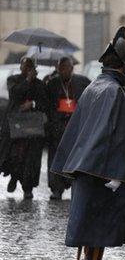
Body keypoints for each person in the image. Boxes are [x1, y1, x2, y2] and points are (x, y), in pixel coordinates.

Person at [51, 27, 125, 260]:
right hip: (101, 173)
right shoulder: (112, 91)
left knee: (93, 230)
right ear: (123, 66)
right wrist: (115, 173)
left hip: (90, 170)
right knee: (97, 230)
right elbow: (110, 135)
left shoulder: (95, 86)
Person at [0, 57, 48, 199]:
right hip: (16, 127)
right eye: (25, 66)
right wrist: (27, 80)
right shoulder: (13, 80)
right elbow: (15, 94)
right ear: (21, 67)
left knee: (30, 159)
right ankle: (14, 177)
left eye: (30, 67)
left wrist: (32, 104)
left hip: (33, 128)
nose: (27, 69)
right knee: (15, 156)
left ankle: (28, 187)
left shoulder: (39, 84)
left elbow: (44, 103)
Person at [46, 56, 90, 200]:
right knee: (55, 158)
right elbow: (47, 105)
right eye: (60, 68)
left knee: (76, 159)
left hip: (76, 127)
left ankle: (76, 186)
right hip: (58, 127)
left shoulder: (82, 82)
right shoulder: (52, 83)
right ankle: (56, 188)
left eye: (65, 68)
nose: (62, 71)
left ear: (71, 68)